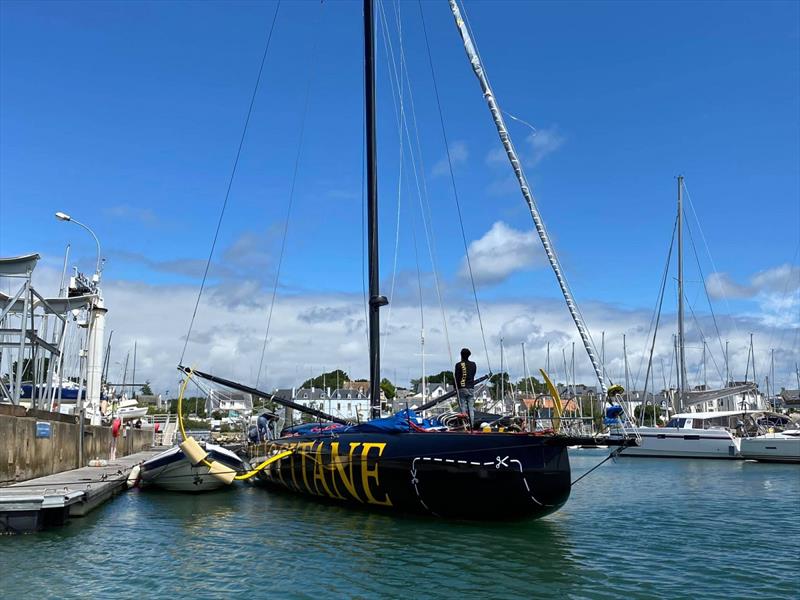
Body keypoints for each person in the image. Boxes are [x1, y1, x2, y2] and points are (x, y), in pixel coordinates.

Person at [454, 347, 477, 429]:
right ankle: (472, 426)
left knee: (463, 406)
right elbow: (473, 374)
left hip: (462, 388)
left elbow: (456, 377)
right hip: (471, 387)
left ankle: (464, 425)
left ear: (461, 355)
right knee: (471, 408)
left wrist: (455, 387)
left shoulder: (458, 365)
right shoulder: (473, 364)